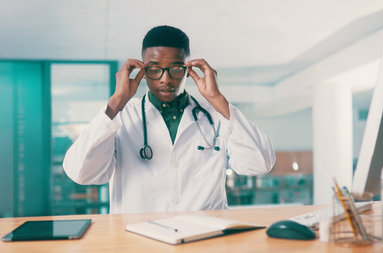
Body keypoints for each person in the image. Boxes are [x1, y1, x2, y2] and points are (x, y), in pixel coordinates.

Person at [63, 25, 276, 214]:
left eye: (175, 69)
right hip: (138, 240)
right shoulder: (121, 116)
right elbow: (81, 174)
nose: (166, 79)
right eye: (155, 69)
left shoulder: (216, 117)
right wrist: (116, 102)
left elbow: (259, 164)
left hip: (204, 239)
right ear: (143, 71)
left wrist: (218, 100)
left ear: (188, 69)